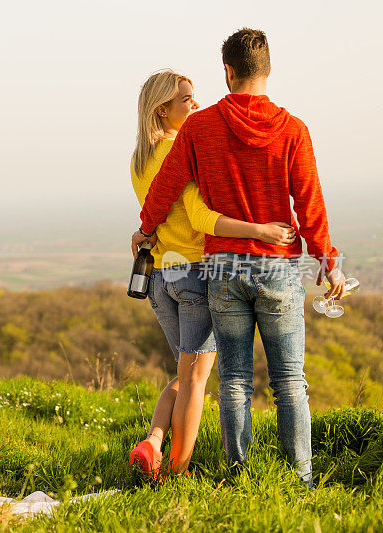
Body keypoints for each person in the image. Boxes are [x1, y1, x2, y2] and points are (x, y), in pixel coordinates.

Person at [133, 29, 345, 486]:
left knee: (234, 382)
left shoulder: (199, 127)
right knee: (290, 382)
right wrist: (328, 262)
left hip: (222, 268)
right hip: (276, 267)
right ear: (267, 69)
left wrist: (146, 229)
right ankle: (302, 481)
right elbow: (310, 206)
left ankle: (239, 477)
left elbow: (164, 188)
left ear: (227, 71)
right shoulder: (293, 129)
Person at [127, 70, 296, 478]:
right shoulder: (176, 152)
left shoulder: (138, 159)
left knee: (185, 373)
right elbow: (202, 217)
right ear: (162, 110)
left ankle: (153, 442)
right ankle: (176, 473)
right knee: (196, 378)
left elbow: (156, 216)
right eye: (186, 99)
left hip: (161, 280)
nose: (195, 104)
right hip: (195, 276)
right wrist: (260, 230)